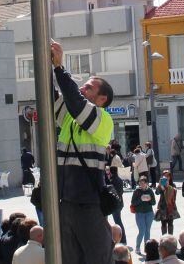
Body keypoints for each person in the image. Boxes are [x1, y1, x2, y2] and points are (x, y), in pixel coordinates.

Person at [51, 41, 115, 264]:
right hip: (65, 202)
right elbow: (52, 97)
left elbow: (75, 102)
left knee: (98, 258)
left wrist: (60, 68)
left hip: (88, 204)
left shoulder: (104, 119)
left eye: (88, 87)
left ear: (102, 99)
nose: (81, 89)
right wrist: (47, 62)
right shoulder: (70, 116)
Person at [131, 176, 156, 255]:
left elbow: (154, 203)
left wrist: (149, 199)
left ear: (147, 183)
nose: (141, 185)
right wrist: (140, 199)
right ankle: (137, 247)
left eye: (143, 183)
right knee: (142, 230)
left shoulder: (150, 190)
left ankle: (147, 248)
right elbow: (133, 203)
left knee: (147, 231)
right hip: (139, 213)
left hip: (149, 213)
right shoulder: (137, 191)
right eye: (140, 183)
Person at [155, 169, 180, 235]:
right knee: (163, 223)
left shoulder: (173, 185)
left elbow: (174, 193)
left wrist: (168, 186)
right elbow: (157, 192)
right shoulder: (161, 184)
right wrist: (160, 186)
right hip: (162, 206)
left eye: (168, 176)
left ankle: (170, 238)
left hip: (170, 206)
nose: (166, 177)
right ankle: (164, 238)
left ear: (170, 177)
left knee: (170, 223)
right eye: (165, 176)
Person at [106, 166, 127, 244]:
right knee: (118, 221)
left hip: (115, 203)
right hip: (120, 203)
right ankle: (123, 239)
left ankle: (122, 239)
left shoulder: (112, 181)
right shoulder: (120, 180)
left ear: (111, 172)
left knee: (117, 221)